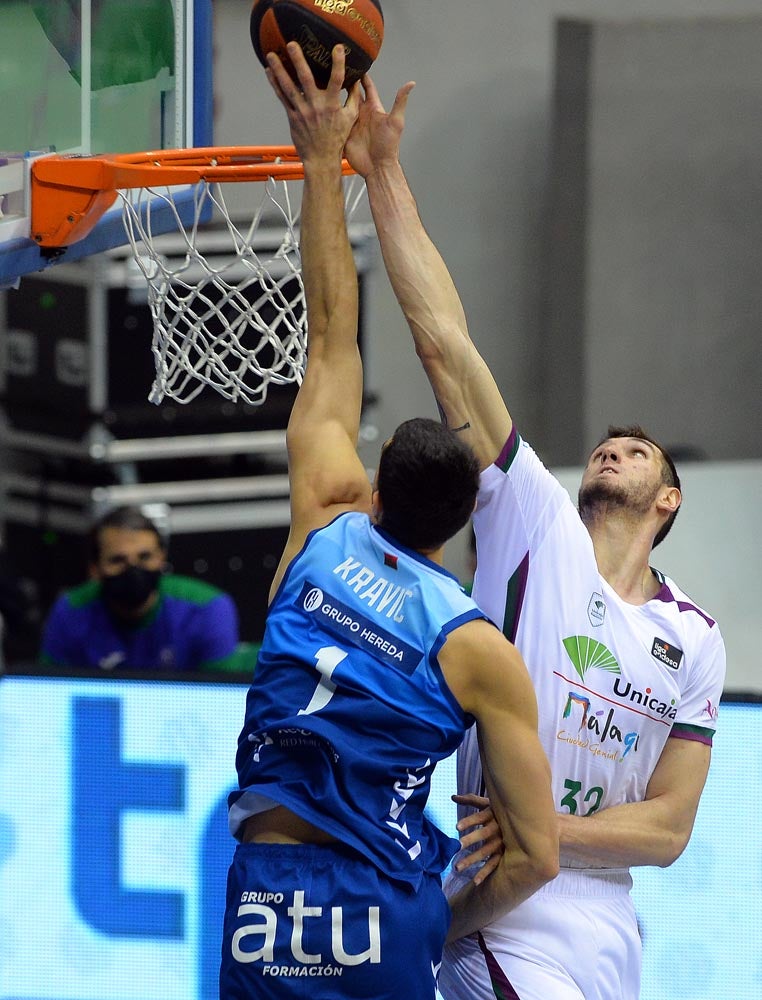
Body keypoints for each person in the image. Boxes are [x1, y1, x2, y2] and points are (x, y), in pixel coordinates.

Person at [344, 75, 727, 999]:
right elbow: (445, 342)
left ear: (669, 500)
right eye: (607, 442)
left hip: (606, 925)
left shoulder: (696, 639)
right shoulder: (534, 521)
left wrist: (543, 824)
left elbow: (667, 831)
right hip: (503, 910)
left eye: (639, 452)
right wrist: (386, 173)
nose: (613, 449)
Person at [219, 44, 558, 1000]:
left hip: (268, 895)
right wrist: (429, 923)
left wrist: (324, 160)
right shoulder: (475, 643)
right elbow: (535, 860)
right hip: (382, 901)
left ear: (374, 496)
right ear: (456, 532)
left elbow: (331, 334)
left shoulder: (324, 526)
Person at [40, 505, 242, 672]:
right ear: (94, 569)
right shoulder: (70, 610)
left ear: (162, 557)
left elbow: (219, 699)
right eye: (118, 560)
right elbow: (49, 694)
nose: (133, 570)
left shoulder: (207, 608)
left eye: (144, 557)